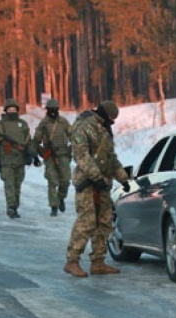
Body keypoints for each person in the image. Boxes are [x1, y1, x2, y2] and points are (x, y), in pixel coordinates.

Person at [64, 100, 130, 277]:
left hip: (103, 184)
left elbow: (110, 158)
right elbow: (81, 156)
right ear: (103, 114)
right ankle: (72, 261)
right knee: (86, 222)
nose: (112, 123)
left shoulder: (104, 129)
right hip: (88, 182)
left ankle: (98, 261)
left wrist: (123, 178)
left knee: (104, 221)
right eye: (110, 119)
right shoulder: (84, 126)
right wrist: (96, 176)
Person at [0, 98, 39, 219]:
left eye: (14, 109)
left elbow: (29, 142)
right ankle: (11, 207)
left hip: (20, 160)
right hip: (6, 160)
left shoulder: (23, 125)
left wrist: (33, 155)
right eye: (9, 109)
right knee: (9, 185)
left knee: (17, 185)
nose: (12, 111)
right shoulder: (0, 126)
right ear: (6, 111)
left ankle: (15, 207)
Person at [34, 99, 73, 217]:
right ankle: (54, 206)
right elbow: (36, 140)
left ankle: (61, 198)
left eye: (54, 110)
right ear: (47, 110)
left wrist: (76, 147)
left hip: (63, 154)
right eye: (50, 110)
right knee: (52, 181)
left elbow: (73, 136)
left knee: (65, 180)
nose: (52, 112)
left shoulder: (64, 122)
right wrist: (40, 152)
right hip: (50, 155)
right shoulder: (43, 123)